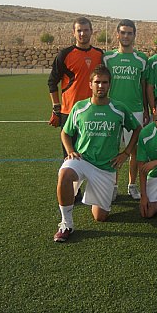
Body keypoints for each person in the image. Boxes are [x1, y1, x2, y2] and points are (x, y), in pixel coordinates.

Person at [53, 65, 140, 242]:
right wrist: (70, 151)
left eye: (105, 82)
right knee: (64, 173)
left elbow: (137, 128)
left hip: (105, 168)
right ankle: (66, 223)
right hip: (82, 160)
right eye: (97, 82)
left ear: (110, 85)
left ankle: (92, 193)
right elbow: (65, 132)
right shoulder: (80, 107)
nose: (101, 86)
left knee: (100, 217)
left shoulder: (119, 109)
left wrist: (126, 153)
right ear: (90, 84)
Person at [47, 17, 104, 202]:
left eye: (86, 30)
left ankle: (93, 187)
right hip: (69, 112)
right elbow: (51, 82)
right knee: (70, 153)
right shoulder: (65, 54)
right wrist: (56, 108)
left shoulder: (99, 54)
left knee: (92, 151)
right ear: (74, 32)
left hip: (93, 112)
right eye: (79, 30)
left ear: (91, 32)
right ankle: (73, 191)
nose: (82, 33)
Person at [103, 19, 149, 200]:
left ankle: (132, 185)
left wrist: (146, 109)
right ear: (117, 35)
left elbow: (144, 86)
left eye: (130, 33)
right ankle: (113, 185)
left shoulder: (141, 59)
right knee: (112, 150)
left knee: (134, 151)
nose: (126, 36)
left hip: (135, 110)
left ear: (134, 35)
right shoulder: (108, 58)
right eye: (123, 32)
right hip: (112, 110)